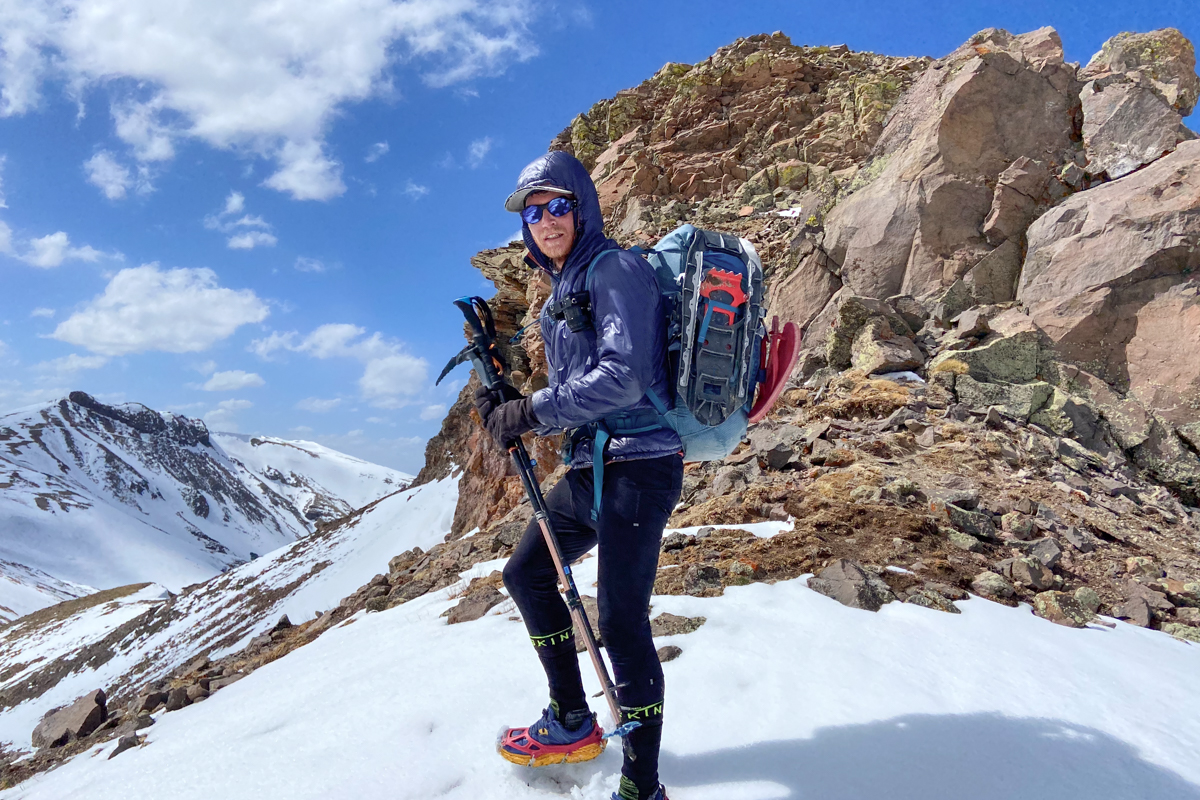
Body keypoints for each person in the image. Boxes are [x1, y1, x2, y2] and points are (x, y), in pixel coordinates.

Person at [474, 150, 683, 800]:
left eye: (557, 205)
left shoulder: (616, 270)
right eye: (533, 212)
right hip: (595, 468)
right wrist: (509, 399)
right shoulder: (561, 292)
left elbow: (622, 378)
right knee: (527, 574)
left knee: (621, 623)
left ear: (582, 207)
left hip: (640, 468)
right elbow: (579, 389)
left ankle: (641, 786)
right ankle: (571, 717)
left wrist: (530, 411)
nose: (544, 220)